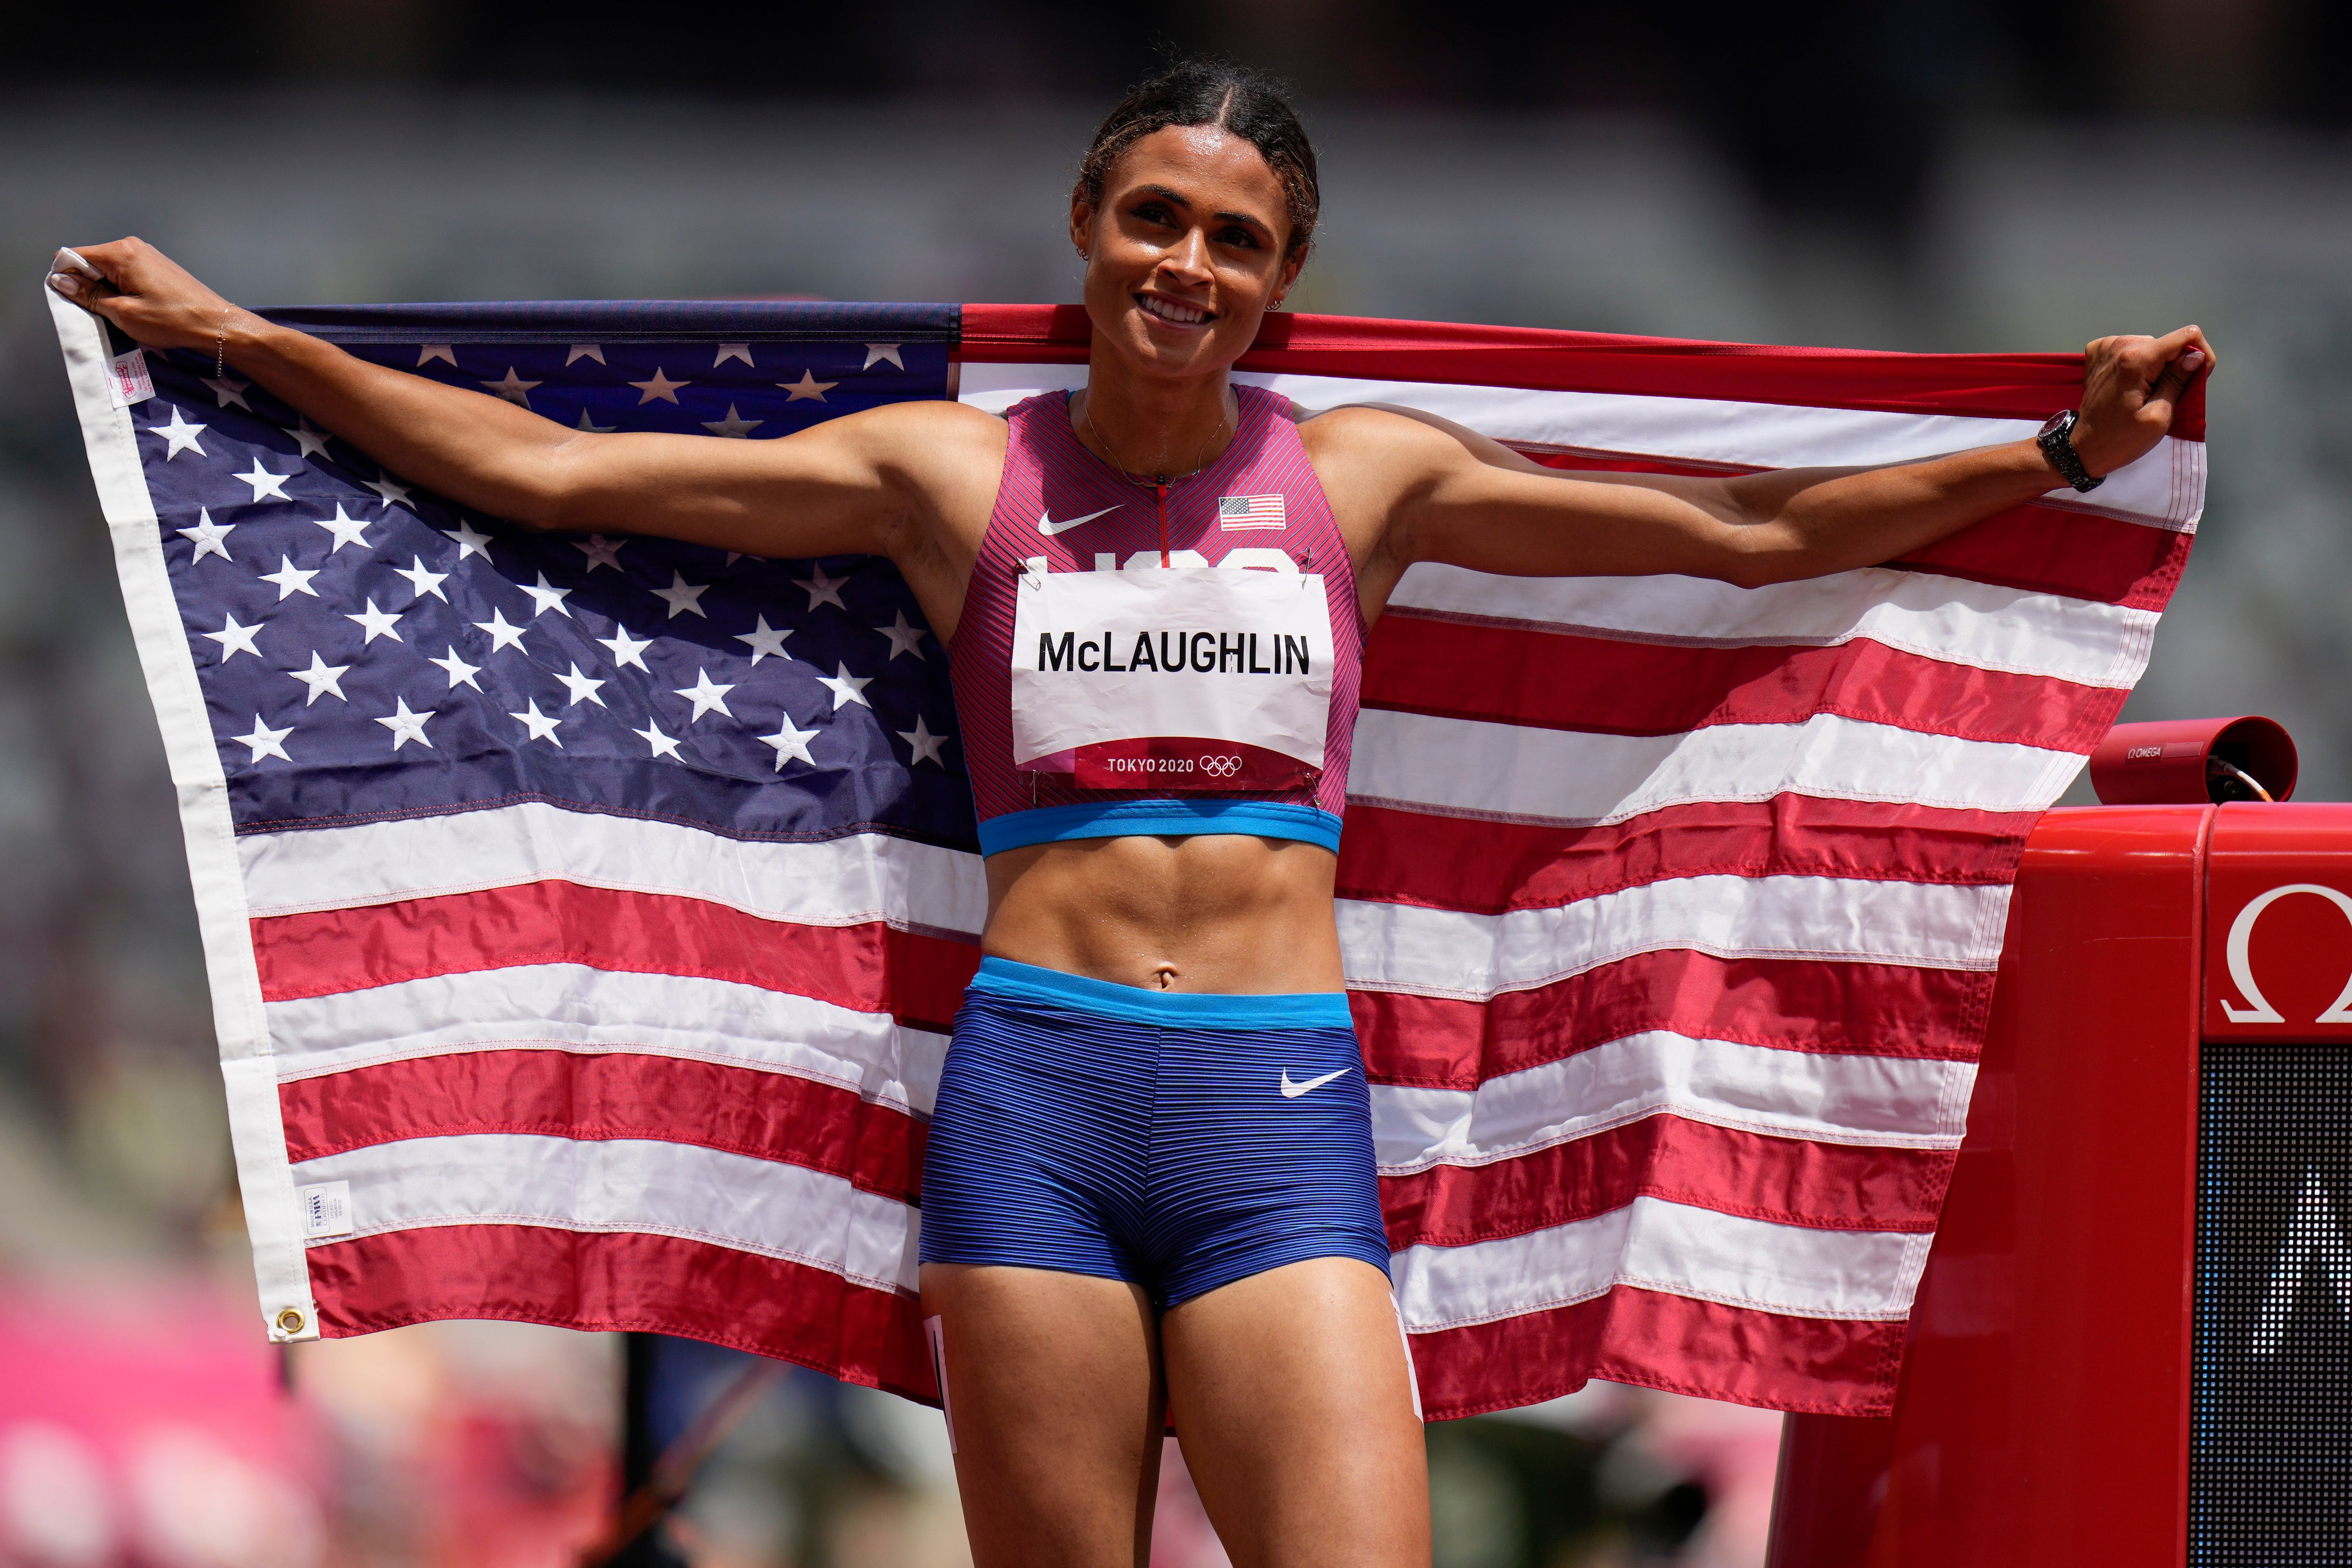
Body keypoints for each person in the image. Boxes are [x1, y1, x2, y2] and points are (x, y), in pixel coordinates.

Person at [53, 57, 2212, 1568]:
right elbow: (552, 476)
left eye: (1236, 237)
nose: (1187, 258)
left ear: (1277, 281)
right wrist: (243, 339)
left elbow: (1745, 537)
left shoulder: (1361, 474)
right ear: (1088, 229)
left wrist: (2047, 449)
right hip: (1037, 1101)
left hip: (1272, 1104)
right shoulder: (942, 476)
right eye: (1155, 215)